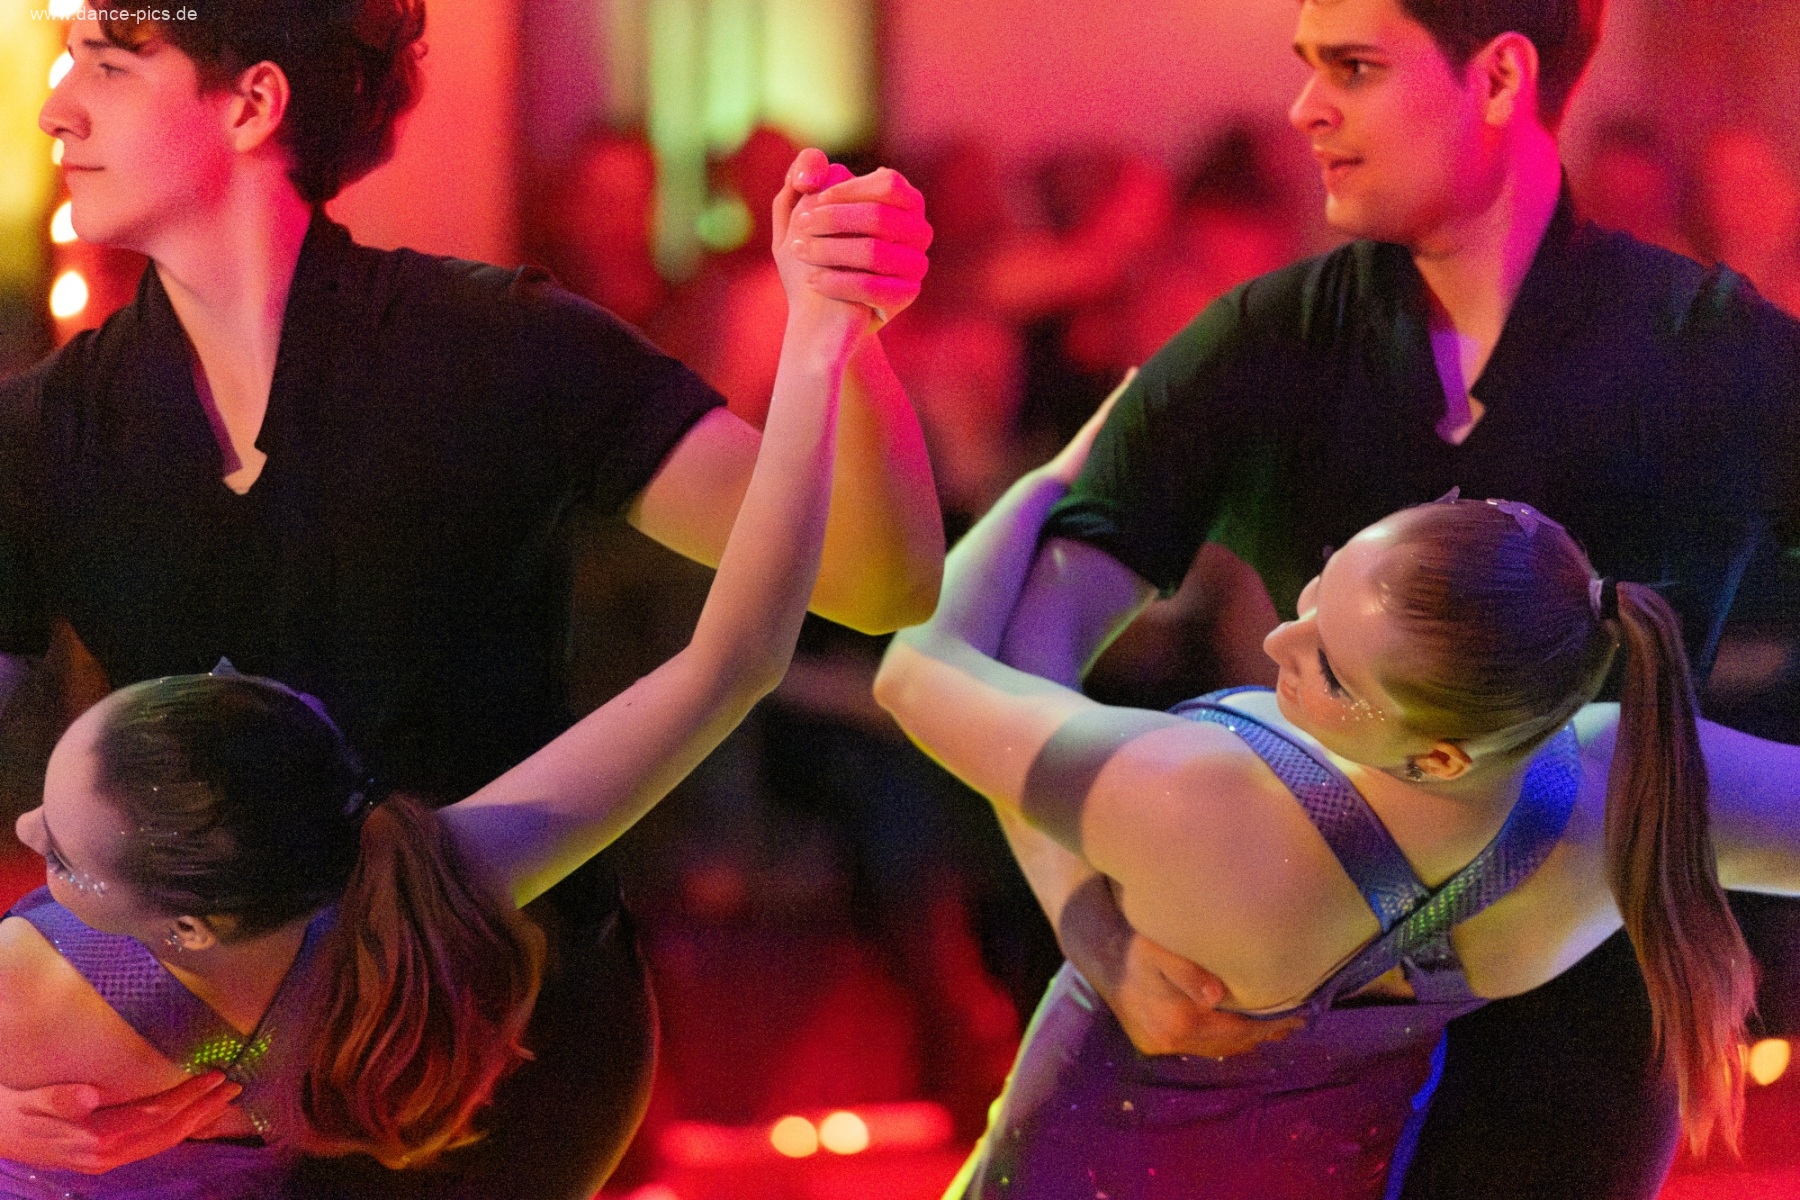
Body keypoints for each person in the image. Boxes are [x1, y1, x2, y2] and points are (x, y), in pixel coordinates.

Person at [0, 0, 939, 1185]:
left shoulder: (496, 347)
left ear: (253, 103)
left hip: (505, 1028)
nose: (55, 110)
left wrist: (847, 330)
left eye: (108, 67)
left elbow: (871, 580)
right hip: (201, 1060)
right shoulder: (42, 431)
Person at [988, 0, 1800, 1194]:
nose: (1304, 109)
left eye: (1355, 68)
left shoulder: (1713, 351)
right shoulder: (1269, 340)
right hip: (1273, 1066)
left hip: (1576, 1076)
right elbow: (1022, 644)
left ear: (1500, 78)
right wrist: (1090, 922)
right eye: (1308, 66)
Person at [874, 408, 1800, 1197]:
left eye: (1328, 669)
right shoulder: (1622, 785)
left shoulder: (1212, 799)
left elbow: (917, 669)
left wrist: (1058, 476)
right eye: (1319, 588)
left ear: (1437, 757)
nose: (1279, 639)